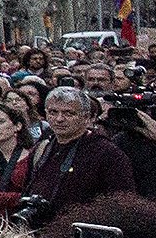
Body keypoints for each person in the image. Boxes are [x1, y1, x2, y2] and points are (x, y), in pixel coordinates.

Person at [26, 86, 138, 216]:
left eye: (69, 113)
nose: (59, 119)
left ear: (86, 117)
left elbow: (123, 204)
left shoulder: (107, 153)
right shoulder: (42, 148)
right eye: (53, 112)